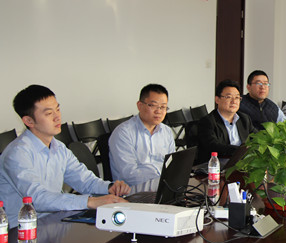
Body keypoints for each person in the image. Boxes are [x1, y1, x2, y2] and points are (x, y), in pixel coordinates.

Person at [0, 85, 129, 228]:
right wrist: (90, 201)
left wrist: (110, 187)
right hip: (21, 230)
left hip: (52, 222)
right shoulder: (17, 154)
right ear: (29, 121)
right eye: (49, 113)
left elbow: (84, 181)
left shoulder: (59, 147)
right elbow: (37, 198)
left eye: (58, 109)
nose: (57, 117)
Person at [109, 84, 175, 191]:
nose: (158, 111)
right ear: (139, 106)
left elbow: (172, 164)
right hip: (132, 192)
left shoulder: (167, 132)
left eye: (163, 107)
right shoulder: (123, 133)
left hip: (162, 187)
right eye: (153, 105)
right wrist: (161, 175)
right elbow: (130, 175)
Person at [194, 79, 257, 163]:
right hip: (217, 165)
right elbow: (213, 146)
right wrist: (240, 151)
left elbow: (257, 137)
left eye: (237, 97)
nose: (234, 101)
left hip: (242, 164)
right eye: (228, 97)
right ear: (217, 99)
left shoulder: (244, 119)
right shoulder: (207, 122)